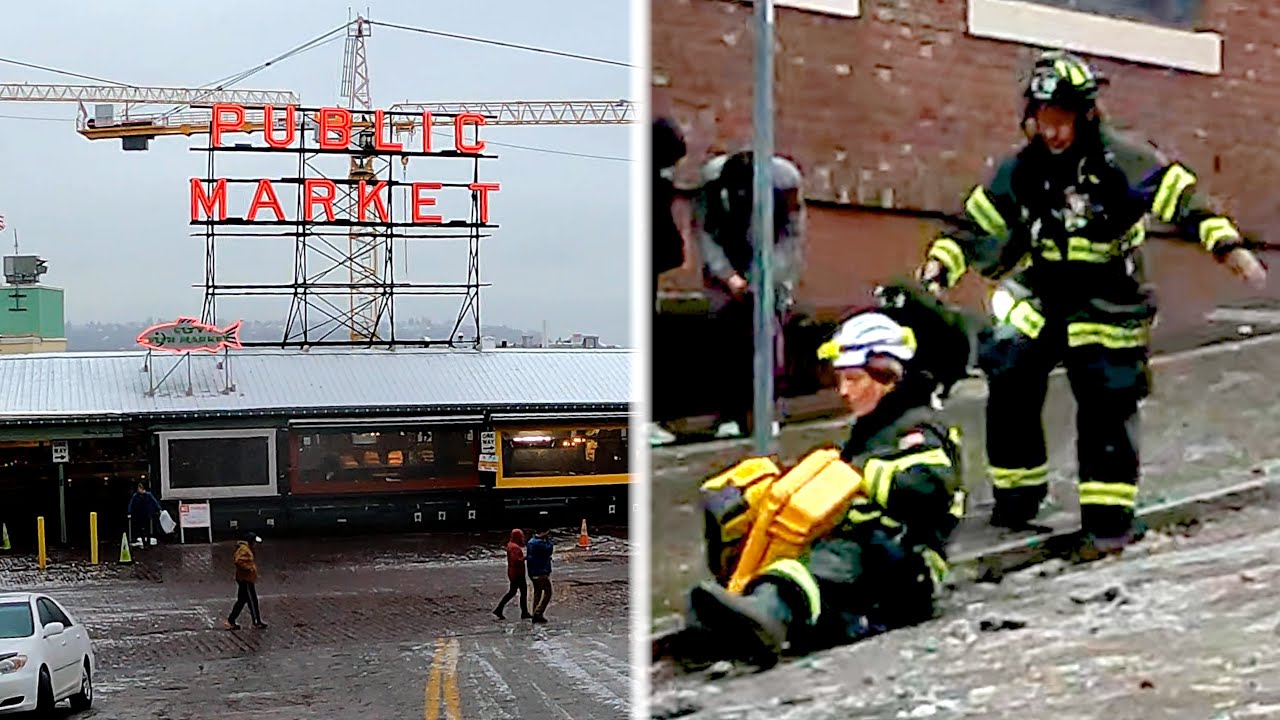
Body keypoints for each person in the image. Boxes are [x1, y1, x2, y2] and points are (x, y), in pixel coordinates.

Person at [918, 50, 1267, 554]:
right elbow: (978, 222)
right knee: (1009, 363)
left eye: (1063, 122)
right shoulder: (1024, 168)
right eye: (1045, 122)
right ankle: (1016, 498)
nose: (1054, 134)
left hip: (1108, 295)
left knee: (1106, 395)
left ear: (1084, 116)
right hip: (1044, 287)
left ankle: (1106, 523)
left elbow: (1182, 200)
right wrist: (940, 266)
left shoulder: (1121, 160)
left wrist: (1228, 248)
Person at [685, 283, 970, 667]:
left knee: (834, 556)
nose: (844, 391)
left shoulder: (920, 426)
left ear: (887, 374)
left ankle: (769, 614)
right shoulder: (876, 425)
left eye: (854, 379)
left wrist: (853, 476)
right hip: (877, 560)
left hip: (907, 566)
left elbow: (930, 481)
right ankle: (739, 611)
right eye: (841, 379)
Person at [692, 149, 807, 441]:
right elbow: (705, 231)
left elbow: (790, 235)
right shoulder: (712, 183)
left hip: (769, 265)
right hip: (727, 265)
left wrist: (765, 279)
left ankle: (769, 411)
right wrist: (727, 276)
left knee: (769, 338)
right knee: (726, 339)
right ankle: (729, 414)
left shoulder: (785, 182)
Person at [225, 532, 266, 630]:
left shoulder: (244, 548)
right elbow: (238, 561)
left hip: (244, 579)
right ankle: (256, 622)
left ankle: (231, 621)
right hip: (246, 579)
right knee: (252, 600)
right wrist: (249, 568)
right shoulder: (244, 549)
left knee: (242, 600)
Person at [493, 528, 531, 620]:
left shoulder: (510, 545)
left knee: (513, 592)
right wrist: (526, 557)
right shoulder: (515, 547)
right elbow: (517, 560)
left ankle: (499, 609)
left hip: (512, 572)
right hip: (518, 573)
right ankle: (524, 612)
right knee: (522, 592)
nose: (523, 538)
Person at [525, 529, 555, 624]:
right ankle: (538, 612)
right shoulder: (541, 544)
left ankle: (535, 612)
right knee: (548, 592)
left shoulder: (530, 542)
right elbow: (550, 549)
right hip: (541, 571)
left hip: (532, 572)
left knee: (537, 592)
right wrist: (548, 541)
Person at [126, 482, 161, 548]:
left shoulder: (148, 495)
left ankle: (147, 542)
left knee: (147, 529)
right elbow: (131, 504)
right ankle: (145, 543)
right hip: (139, 514)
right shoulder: (136, 496)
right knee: (141, 529)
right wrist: (129, 512)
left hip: (146, 513)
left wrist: (158, 508)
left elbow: (154, 501)